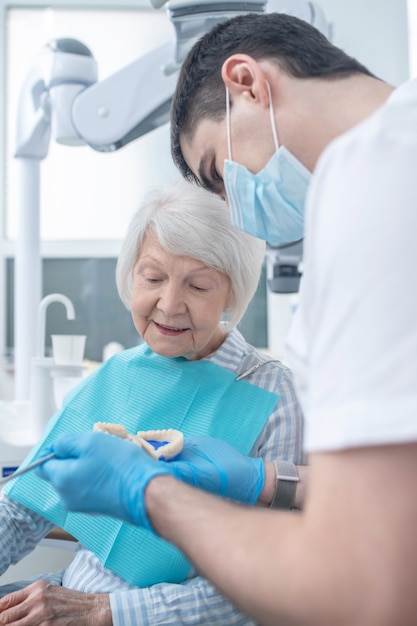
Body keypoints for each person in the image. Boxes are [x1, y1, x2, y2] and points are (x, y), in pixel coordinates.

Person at [36, 10, 417, 626]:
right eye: (153, 277)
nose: (235, 207)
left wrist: (152, 496)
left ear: (247, 83)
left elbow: (360, 581)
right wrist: (267, 481)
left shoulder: (370, 189)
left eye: (218, 169)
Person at [0, 177, 305, 625]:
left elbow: (275, 582)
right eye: (153, 278)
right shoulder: (117, 374)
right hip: (65, 596)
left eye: (198, 286)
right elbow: (22, 508)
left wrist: (109, 612)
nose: (168, 304)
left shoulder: (275, 397)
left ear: (233, 293)